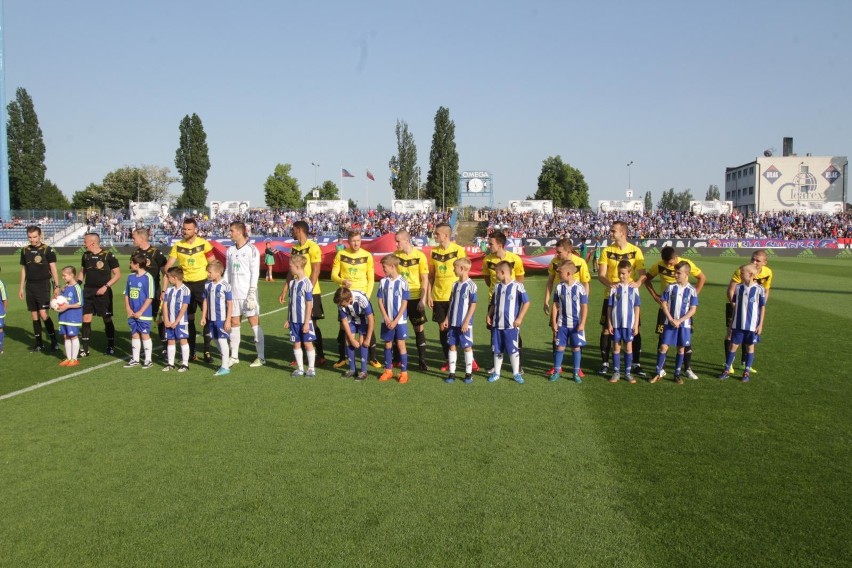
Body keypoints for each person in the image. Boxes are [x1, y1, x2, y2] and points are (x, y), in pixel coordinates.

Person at [644, 246, 706, 380]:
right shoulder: (659, 266)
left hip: (683, 313)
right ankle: (661, 369)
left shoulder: (685, 264)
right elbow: (647, 279)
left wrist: (690, 298)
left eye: (671, 263)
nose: (669, 266)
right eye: (666, 263)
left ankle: (686, 368)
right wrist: (655, 296)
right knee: (662, 340)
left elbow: (702, 277)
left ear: (675, 258)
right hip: (666, 310)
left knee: (684, 343)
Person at [163, 218, 216, 363]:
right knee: (189, 319)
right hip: (185, 286)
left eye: (189, 229)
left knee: (208, 317)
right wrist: (167, 275)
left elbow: (213, 263)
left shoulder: (204, 244)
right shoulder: (178, 246)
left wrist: (214, 281)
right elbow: (169, 265)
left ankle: (207, 351)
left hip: (202, 284)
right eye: (184, 229)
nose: (185, 232)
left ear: (195, 230)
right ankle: (192, 351)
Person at [597, 221, 646, 377]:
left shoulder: (635, 250)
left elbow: (642, 274)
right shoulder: (607, 250)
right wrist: (611, 284)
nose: (610, 232)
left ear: (623, 233)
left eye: (613, 230)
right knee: (606, 329)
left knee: (634, 330)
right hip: (611, 297)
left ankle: (636, 364)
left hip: (629, 299)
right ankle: (605, 363)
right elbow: (601, 275)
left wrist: (637, 283)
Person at [330, 230, 379, 368]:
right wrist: (341, 280)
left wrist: (367, 297)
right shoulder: (341, 254)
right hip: (345, 297)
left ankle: (373, 358)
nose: (356, 243)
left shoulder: (367, 256)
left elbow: (371, 278)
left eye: (358, 240)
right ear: (348, 241)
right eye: (353, 241)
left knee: (368, 325)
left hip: (362, 297)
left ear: (361, 240)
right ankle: (342, 358)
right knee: (343, 326)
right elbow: (333, 275)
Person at [543, 238, 591, 377]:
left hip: (575, 305)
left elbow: (586, 282)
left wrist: (584, 303)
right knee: (556, 333)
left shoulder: (580, 262)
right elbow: (550, 281)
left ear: (568, 251)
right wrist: (546, 300)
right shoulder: (554, 263)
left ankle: (577, 368)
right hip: (560, 302)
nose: (556, 255)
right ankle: (557, 366)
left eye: (559, 252)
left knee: (577, 337)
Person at [649, 261, 699, 385]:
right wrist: (671, 319)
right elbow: (664, 304)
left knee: (681, 349)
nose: (675, 275)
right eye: (675, 273)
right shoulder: (670, 287)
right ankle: (658, 372)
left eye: (678, 273)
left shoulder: (692, 290)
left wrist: (680, 321)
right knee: (663, 347)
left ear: (687, 273)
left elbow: (693, 309)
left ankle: (676, 374)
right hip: (669, 323)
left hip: (684, 325)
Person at [428, 223, 469, 369]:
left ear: (445, 235)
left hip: (455, 296)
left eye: (437, 234)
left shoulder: (459, 250)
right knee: (442, 329)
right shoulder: (434, 252)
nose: (435, 236)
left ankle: (469, 359)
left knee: (458, 328)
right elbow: (431, 275)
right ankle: (449, 359)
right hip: (438, 296)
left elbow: (464, 273)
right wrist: (428, 294)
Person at [283, 220, 326, 364]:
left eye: (294, 229)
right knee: (296, 321)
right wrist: (284, 290)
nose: (292, 232)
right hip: (296, 291)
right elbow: (291, 271)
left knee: (312, 323)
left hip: (311, 291)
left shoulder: (313, 247)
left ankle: (320, 355)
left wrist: (309, 290)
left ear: (299, 230)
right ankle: (300, 355)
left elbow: (316, 270)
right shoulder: (294, 248)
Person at [225, 222, 265, 368]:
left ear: (240, 232)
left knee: (254, 322)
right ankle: (234, 356)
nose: (229, 233)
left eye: (231, 231)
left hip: (248, 294)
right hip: (234, 294)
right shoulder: (229, 250)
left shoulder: (251, 250)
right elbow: (227, 272)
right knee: (235, 323)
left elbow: (255, 272)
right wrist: (224, 288)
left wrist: (252, 292)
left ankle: (261, 357)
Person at [725, 249, 773, 372]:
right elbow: (731, 290)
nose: (754, 262)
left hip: (752, 307)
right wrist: (736, 306)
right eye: (753, 259)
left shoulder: (768, 272)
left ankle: (744, 363)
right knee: (731, 335)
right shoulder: (742, 270)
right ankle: (728, 364)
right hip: (736, 304)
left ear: (765, 262)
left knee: (748, 337)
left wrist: (760, 305)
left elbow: (766, 289)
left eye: (758, 260)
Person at [483, 231, 524, 373]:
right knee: (494, 333)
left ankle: (518, 365)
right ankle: (496, 365)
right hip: (494, 301)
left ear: (500, 245)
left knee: (515, 332)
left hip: (512, 304)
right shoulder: (487, 259)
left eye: (491, 244)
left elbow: (520, 279)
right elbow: (487, 279)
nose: (489, 246)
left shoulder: (515, 259)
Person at [720, 263, 766, 383]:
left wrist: (760, 325)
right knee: (733, 345)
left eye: (742, 273)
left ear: (750, 274)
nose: (740, 275)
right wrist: (731, 324)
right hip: (738, 324)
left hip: (752, 325)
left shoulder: (759, 290)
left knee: (750, 346)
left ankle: (746, 371)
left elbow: (762, 308)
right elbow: (735, 307)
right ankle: (726, 369)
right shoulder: (738, 288)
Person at [486, 261, 530, 384]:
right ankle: (497, 373)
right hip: (497, 325)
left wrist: (520, 318)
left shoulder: (517, 286)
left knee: (513, 350)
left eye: (496, 273)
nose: (495, 276)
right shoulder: (497, 287)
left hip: (511, 326)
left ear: (503, 272)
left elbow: (526, 302)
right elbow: (494, 303)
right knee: (497, 350)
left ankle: (516, 373)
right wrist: (489, 315)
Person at [79, 232, 122, 357]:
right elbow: (82, 273)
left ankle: (111, 346)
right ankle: (85, 349)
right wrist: (76, 284)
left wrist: (105, 287)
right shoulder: (85, 256)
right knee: (86, 318)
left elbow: (117, 274)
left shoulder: (108, 255)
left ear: (92, 242)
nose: (83, 243)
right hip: (88, 291)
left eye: (85, 241)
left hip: (103, 292)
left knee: (106, 318)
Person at [18, 225, 60, 352]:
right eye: (30, 237)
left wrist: (57, 286)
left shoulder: (48, 250)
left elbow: (53, 269)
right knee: (34, 315)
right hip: (30, 286)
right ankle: (39, 343)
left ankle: (54, 341)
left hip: (43, 284)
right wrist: (21, 287)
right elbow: (24, 269)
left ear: (40, 235)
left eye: (35, 237)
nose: (32, 239)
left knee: (43, 314)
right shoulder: (25, 250)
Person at [393, 229, 430, 370]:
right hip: (400, 298)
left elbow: (424, 278)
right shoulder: (395, 256)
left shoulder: (420, 256)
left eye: (398, 241)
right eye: (396, 241)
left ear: (406, 240)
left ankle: (422, 360)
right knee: (398, 328)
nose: (396, 244)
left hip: (415, 298)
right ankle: (397, 359)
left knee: (419, 329)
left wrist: (423, 299)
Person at [130, 228, 169, 354]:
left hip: (155, 290)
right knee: (139, 316)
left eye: (134, 237)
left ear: (142, 238)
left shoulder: (156, 253)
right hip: (139, 293)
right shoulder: (135, 253)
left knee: (159, 318)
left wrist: (163, 291)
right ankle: (141, 345)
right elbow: (133, 272)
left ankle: (164, 346)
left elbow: (165, 274)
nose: (132, 239)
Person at [550, 260, 588, 384]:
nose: (558, 274)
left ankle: (576, 372)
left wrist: (582, 323)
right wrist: (554, 322)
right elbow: (555, 305)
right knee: (560, 347)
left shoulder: (580, 288)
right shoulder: (559, 287)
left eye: (559, 272)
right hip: (562, 324)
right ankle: (556, 371)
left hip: (576, 324)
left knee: (576, 348)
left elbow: (584, 307)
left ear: (567, 273)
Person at [441, 257, 477, 384]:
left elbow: (473, 304)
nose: (453, 270)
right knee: (451, 346)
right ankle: (452, 373)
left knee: (467, 347)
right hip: (453, 323)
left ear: (462, 269)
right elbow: (451, 302)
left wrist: (467, 321)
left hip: (464, 324)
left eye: (455, 267)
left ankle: (468, 374)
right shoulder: (455, 284)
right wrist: (446, 318)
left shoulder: (471, 285)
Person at [606, 260, 642, 383]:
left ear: (629, 272)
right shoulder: (614, 288)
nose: (621, 276)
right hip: (616, 323)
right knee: (616, 347)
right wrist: (609, 323)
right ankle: (616, 372)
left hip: (629, 324)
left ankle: (627, 373)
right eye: (619, 273)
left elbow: (637, 307)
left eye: (623, 273)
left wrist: (636, 324)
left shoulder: (634, 288)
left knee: (628, 347)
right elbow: (609, 307)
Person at [376, 255, 410, 384]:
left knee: (401, 344)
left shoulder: (403, 282)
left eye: (384, 267)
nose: (383, 270)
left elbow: (404, 303)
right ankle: (388, 370)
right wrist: (385, 317)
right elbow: (380, 300)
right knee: (387, 344)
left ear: (392, 266)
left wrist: (396, 320)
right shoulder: (383, 282)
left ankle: (404, 372)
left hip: (399, 321)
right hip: (386, 320)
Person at [333, 286, 375, 381]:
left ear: (350, 299)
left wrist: (368, 338)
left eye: (343, 305)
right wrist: (352, 339)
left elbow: (371, 319)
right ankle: (352, 369)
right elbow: (344, 322)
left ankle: (364, 371)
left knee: (363, 342)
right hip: (350, 319)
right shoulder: (341, 302)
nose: (341, 306)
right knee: (348, 341)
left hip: (363, 318)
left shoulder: (361, 299)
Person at [285, 255, 317, 377]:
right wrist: (288, 319)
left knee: (308, 343)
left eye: (291, 266)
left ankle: (311, 368)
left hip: (304, 321)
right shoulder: (292, 283)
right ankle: (300, 368)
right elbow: (290, 302)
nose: (290, 269)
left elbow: (309, 304)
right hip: (293, 321)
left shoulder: (307, 283)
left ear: (297, 266)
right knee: (296, 343)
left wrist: (307, 322)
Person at [201, 260, 234, 377]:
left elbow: (230, 303)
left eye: (210, 272)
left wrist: (228, 320)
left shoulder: (225, 285)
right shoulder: (207, 285)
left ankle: (225, 367)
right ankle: (227, 360)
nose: (208, 274)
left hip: (222, 319)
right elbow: (205, 300)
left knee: (222, 340)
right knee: (215, 339)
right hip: (211, 318)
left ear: (218, 273)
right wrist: (204, 316)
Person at [123, 253, 156, 369]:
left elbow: (150, 297)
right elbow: (126, 293)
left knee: (145, 334)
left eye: (131, 262)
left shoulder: (148, 278)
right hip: (132, 312)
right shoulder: (130, 277)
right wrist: (128, 307)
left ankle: (148, 360)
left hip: (144, 313)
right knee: (134, 334)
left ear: (137, 264)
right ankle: (135, 359)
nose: (130, 264)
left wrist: (141, 311)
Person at [162, 266, 191, 372]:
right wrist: (166, 319)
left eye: (168, 277)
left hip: (181, 322)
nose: (167, 279)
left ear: (174, 278)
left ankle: (185, 364)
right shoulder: (169, 290)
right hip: (169, 321)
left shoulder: (185, 290)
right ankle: (170, 363)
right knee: (170, 341)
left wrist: (176, 321)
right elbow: (164, 305)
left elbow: (184, 307)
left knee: (183, 340)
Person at [56, 266, 83, 367]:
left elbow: (80, 303)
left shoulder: (77, 288)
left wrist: (68, 306)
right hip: (63, 316)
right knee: (66, 336)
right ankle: (68, 358)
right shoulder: (65, 288)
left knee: (73, 336)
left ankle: (74, 359)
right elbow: (61, 300)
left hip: (73, 317)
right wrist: (55, 305)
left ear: (71, 275)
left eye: (64, 275)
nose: (63, 277)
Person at [0, 267, 6, 354]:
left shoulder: (0, 283)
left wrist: (4, 310)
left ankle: (0, 346)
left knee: (0, 329)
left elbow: (4, 299)